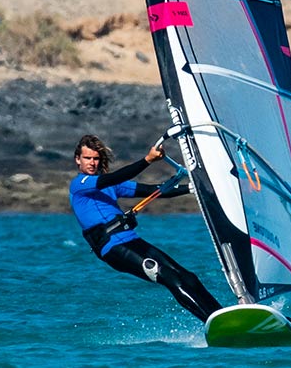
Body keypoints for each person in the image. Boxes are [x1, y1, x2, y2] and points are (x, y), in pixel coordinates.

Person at [69, 133, 221, 324]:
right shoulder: (79, 185)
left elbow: (152, 190)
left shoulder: (111, 187)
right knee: (169, 277)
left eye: (96, 158)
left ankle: (224, 316)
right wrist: (147, 160)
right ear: (78, 160)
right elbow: (115, 177)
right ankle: (212, 322)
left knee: (188, 277)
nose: (92, 163)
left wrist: (192, 188)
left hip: (132, 242)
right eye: (87, 158)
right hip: (113, 249)